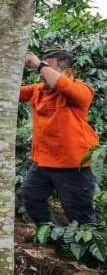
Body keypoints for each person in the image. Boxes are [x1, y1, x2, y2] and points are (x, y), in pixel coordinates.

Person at [20, 49, 98, 227]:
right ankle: (53, 236)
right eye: (41, 69)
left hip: (72, 164)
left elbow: (64, 86)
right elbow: (8, 91)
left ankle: (87, 252)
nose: (42, 73)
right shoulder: (38, 90)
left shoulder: (82, 90)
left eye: (48, 69)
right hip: (42, 162)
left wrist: (39, 64)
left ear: (67, 72)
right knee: (30, 196)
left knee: (79, 212)